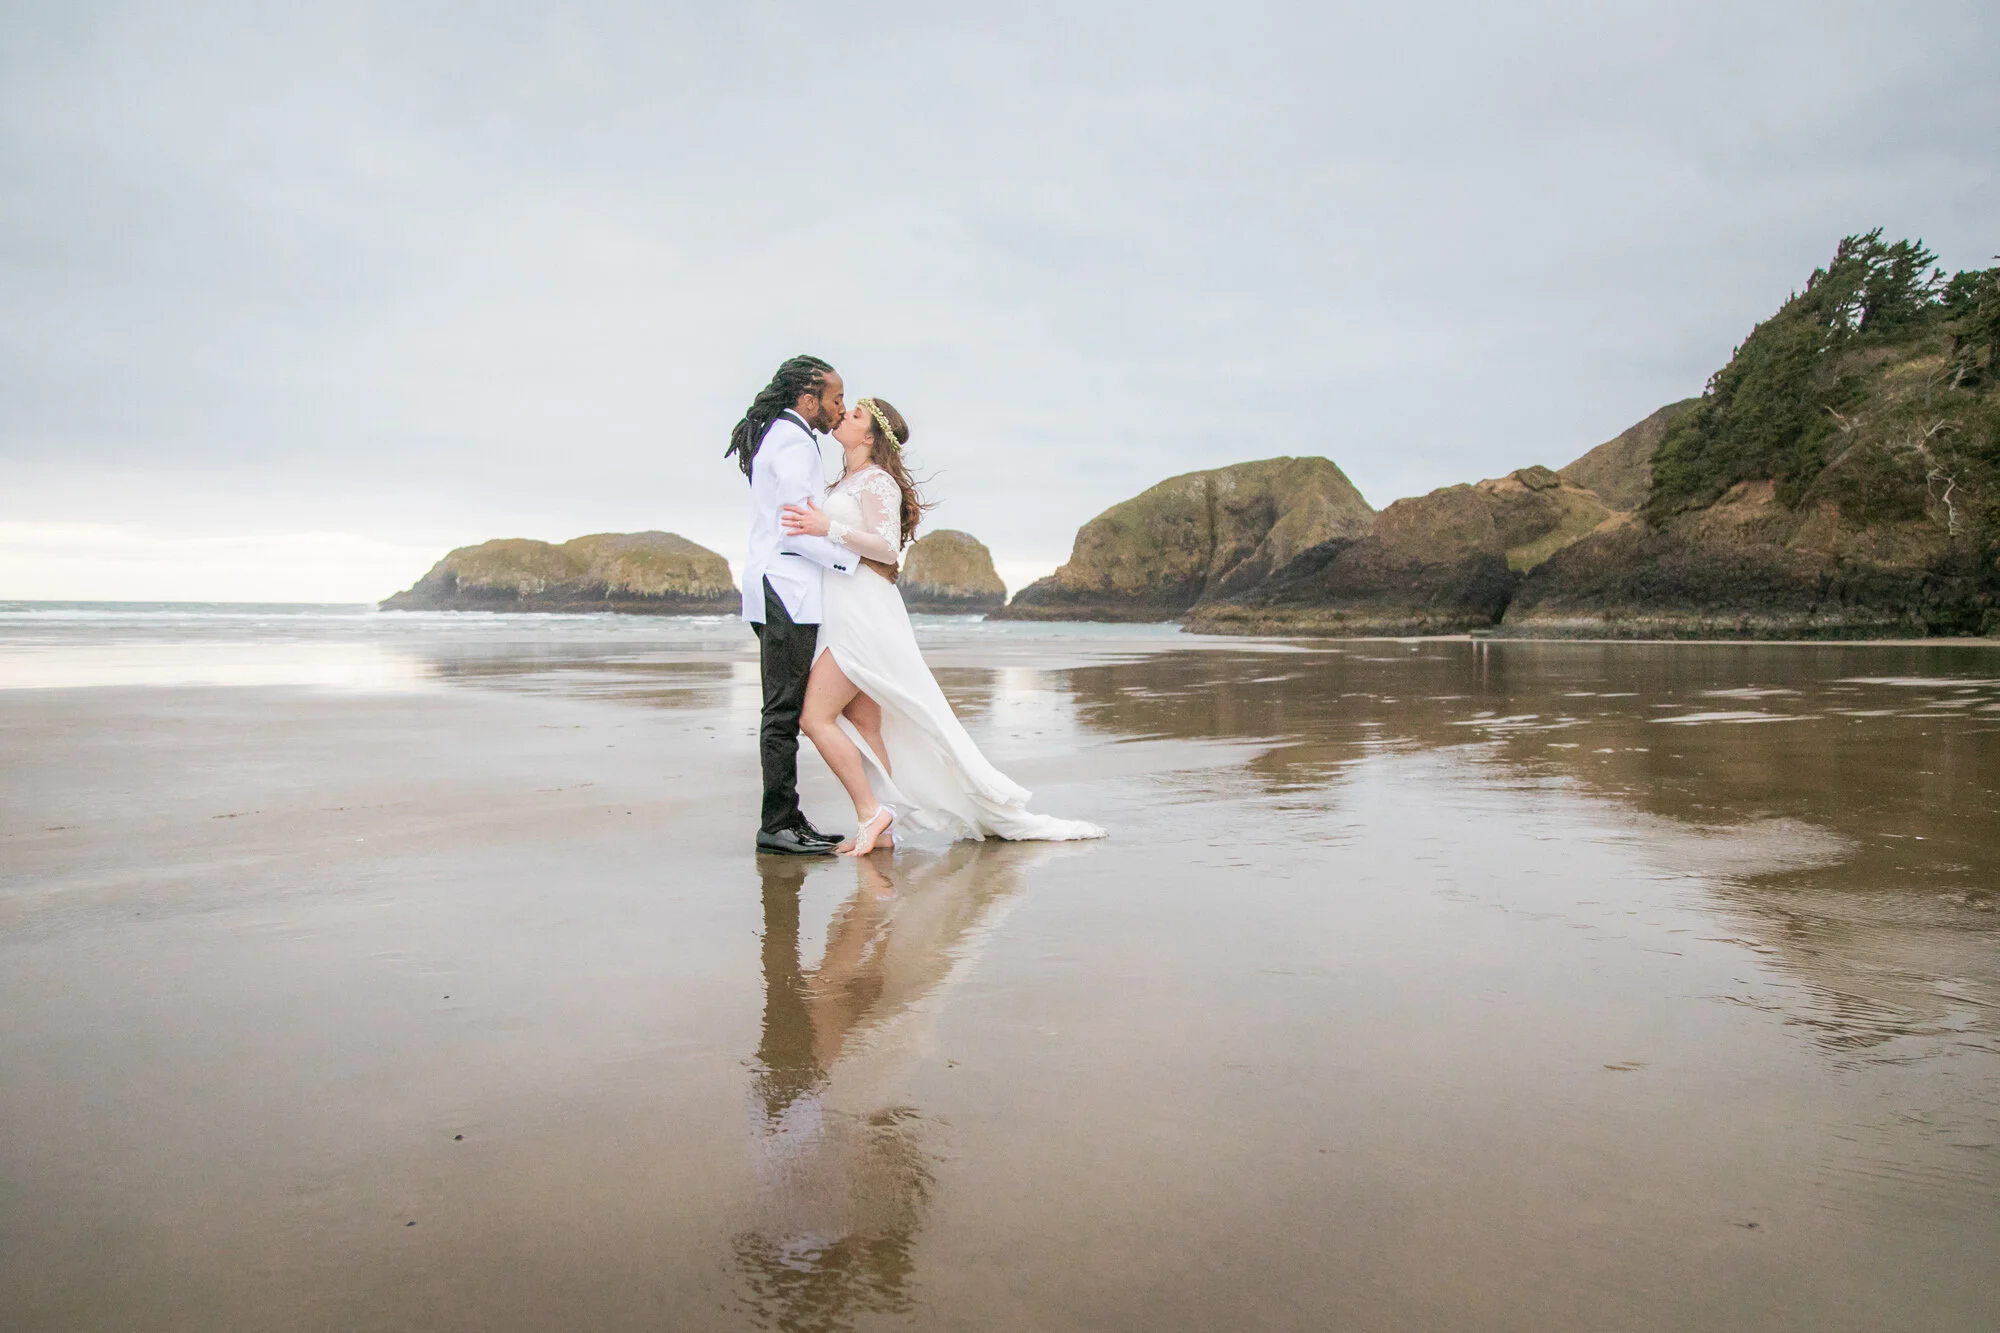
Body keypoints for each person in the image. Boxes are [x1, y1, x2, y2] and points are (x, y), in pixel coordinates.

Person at [781, 395, 1104, 853]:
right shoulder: (846, 480)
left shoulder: (878, 481)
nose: (844, 415)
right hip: (842, 608)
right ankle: (884, 830)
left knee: (814, 716)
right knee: (865, 721)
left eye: (855, 415)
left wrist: (825, 528)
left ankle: (872, 812)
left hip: (863, 612)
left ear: (870, 436)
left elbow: (886, 547)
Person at [727, 355, 856, 856]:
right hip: (786, 590)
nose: (840, 408)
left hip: (778, 588)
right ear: (809, 400)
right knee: (782, 712)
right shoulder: (796, 443)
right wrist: (853, 562)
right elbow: (797, 531)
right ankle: (777, 825)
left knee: (784, 708)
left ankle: (788, 817)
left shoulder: (785, 437)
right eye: (836, 399)